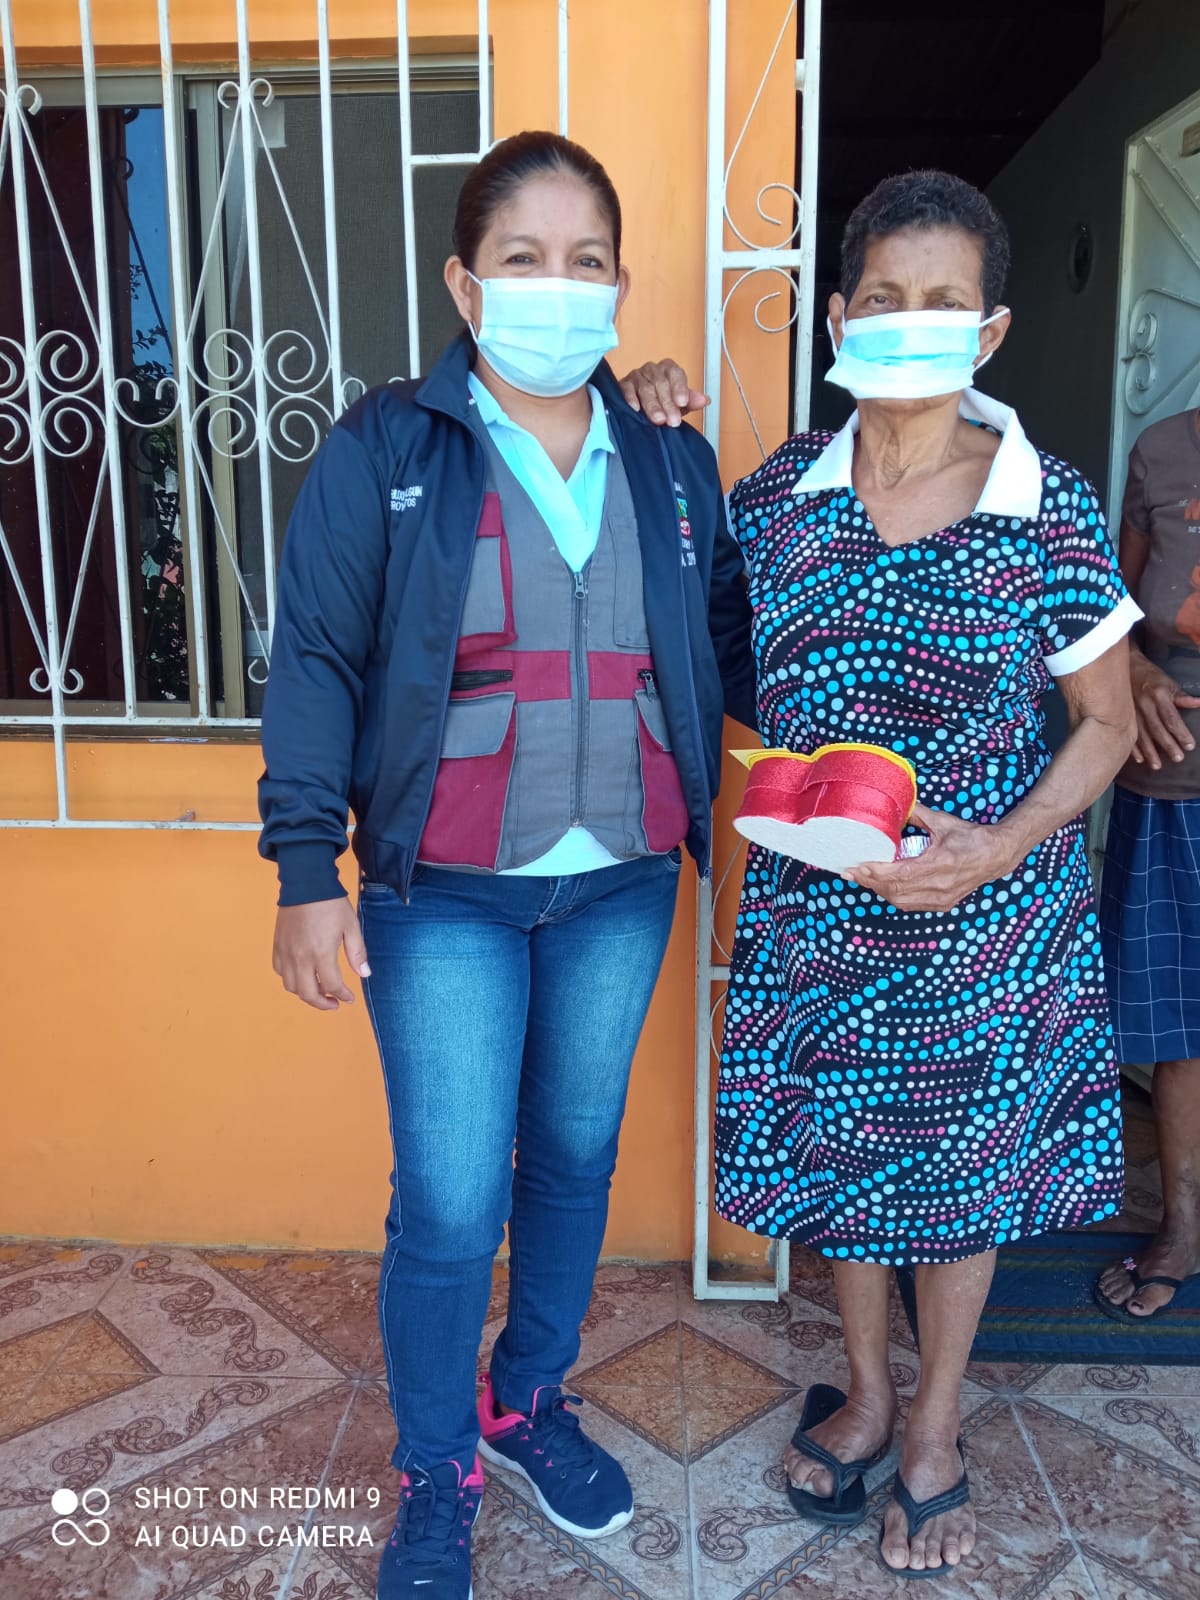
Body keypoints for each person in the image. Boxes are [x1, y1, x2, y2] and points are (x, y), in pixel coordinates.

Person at [258, 130, 755, 1600]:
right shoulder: (387, 450)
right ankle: (437, 1471)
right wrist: (305, 868)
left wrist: (816, 785)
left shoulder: (668, 455)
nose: (559, 284)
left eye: (587, 260)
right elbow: (316, 659)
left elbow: (725, 639)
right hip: (447, 893)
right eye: (523, 259)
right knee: (453, 1199)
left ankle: (525, 1401)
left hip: (624, 881)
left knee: (576, 1159)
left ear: (620, 287)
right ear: (466, 285)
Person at [624, 169, 1139, 1578]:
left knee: (960, 1182)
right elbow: (701, 650)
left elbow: (1105, 723)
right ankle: (859, 1393)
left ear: (991, 331)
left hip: (986, 920)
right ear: (842, 317)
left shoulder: (1048, 505)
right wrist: (644, 411)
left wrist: (1003, 844)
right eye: (886, 297)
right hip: (821, 912)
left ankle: (935, 1428)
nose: (913, 321)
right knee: (849, 1161)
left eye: (945, 301)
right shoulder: (778, 499)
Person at [1095, 406, 1200, 1321]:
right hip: (1170, 778)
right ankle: (1183, 1223)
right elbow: (1109, 617)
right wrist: (1132, 671)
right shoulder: (1164, 451)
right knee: (1178, 1025)